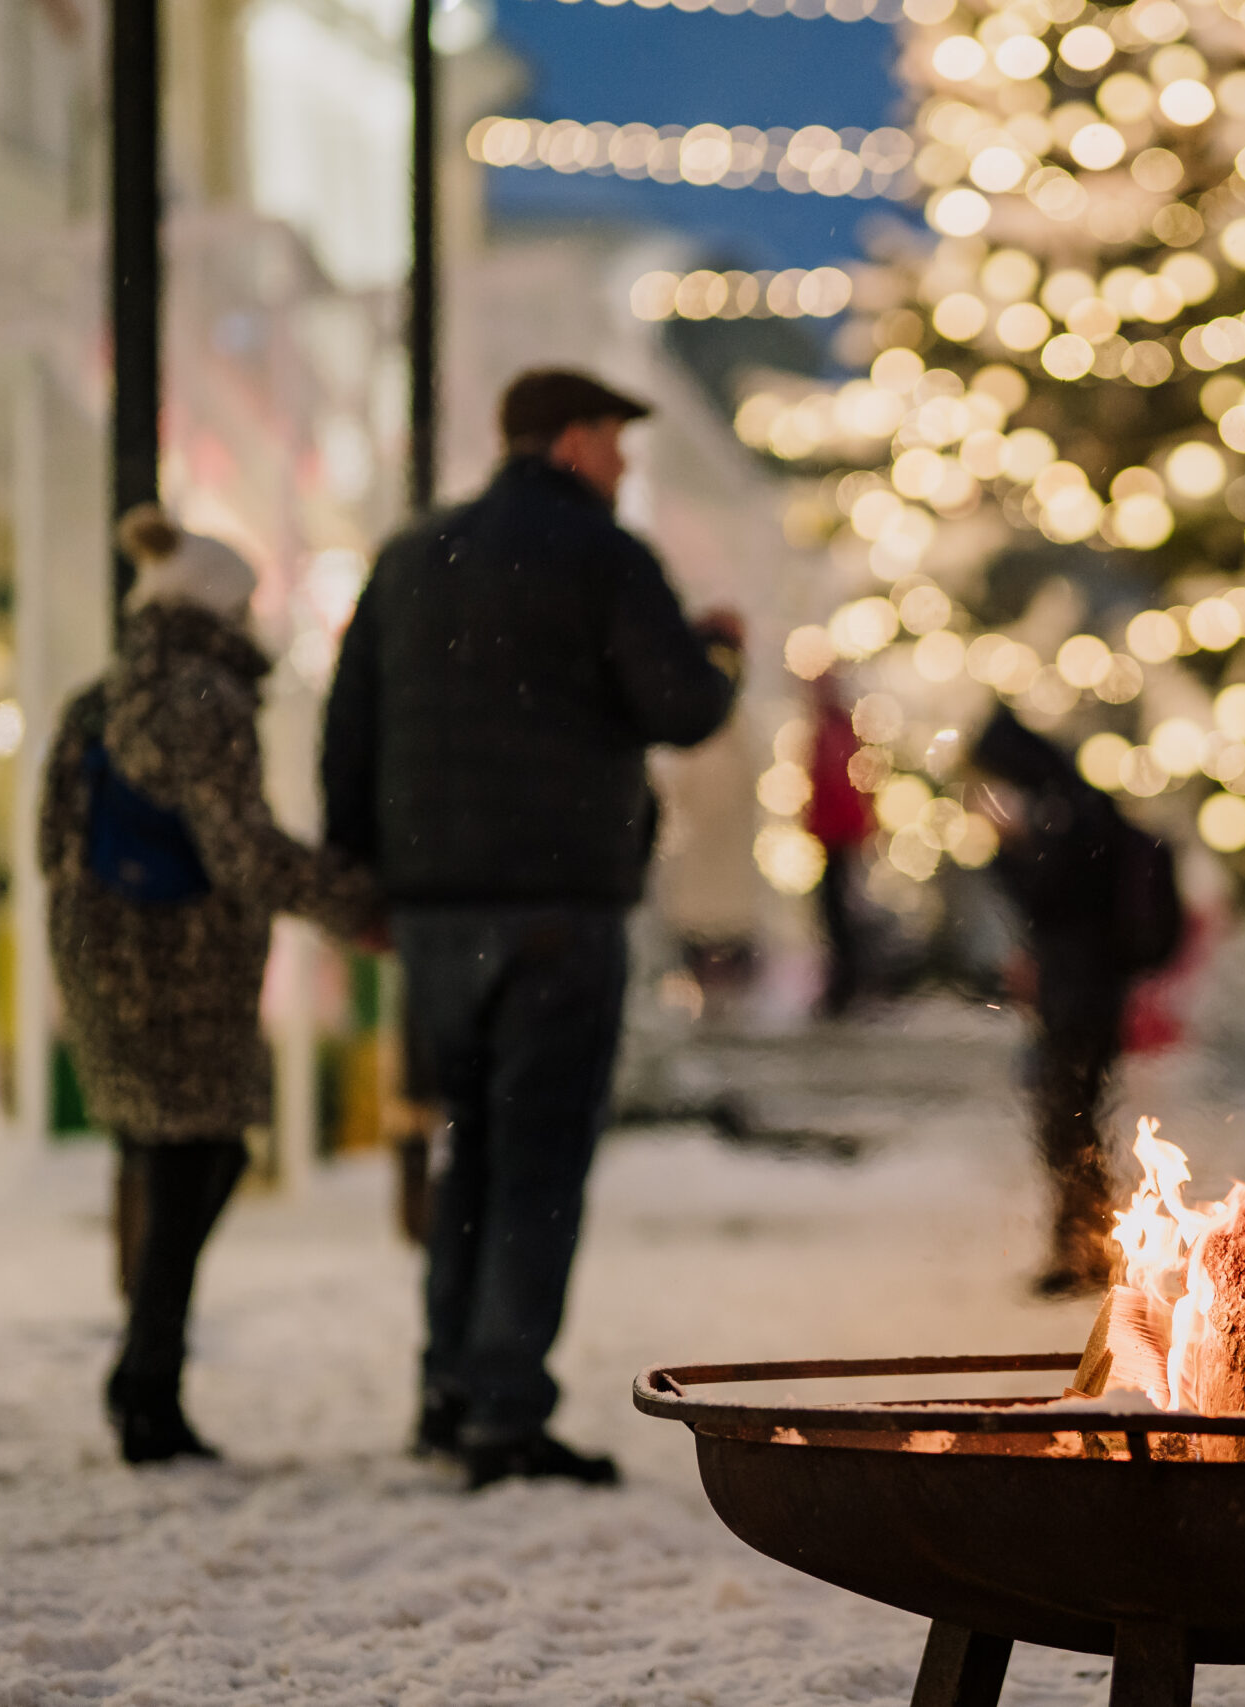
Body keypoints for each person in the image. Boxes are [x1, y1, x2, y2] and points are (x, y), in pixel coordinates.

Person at [322, 369, 740, 1488]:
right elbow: (683, 708)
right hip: (557, 903)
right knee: (539, 1155)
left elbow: (348, 726)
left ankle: (449, 1387)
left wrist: (364, 884)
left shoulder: (412, 557)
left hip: (433, 910)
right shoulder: (604, 558)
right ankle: (505, 1407)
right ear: (570, 442)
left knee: (466, 1148)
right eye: (615, 441)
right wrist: (719, 654)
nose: (623, 464)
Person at [41, 505, 379, 1464]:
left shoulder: (97, 697)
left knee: (179, 1158)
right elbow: (242, 853)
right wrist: (356, 902)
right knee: (202, 1158)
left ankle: (146, 1374)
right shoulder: (203, 699)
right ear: (219, 608)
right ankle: (146, 1382)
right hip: (182, 962)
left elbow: (51, 842)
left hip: (103, 954)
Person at [969, 708, 1179, 1297]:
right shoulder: (1080, 804)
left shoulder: (1064, 814)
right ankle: (1086, 1246)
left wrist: (1007, 847)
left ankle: (1089, 1249)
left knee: (1070, 1122)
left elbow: (1049, 899)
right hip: (1086, 990)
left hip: (1082, 994)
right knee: (1073, 1121)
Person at [804, 673, 874, 1017]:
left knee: (838, 914)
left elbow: (837, 789)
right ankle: (845, 986)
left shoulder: (834, 733)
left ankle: (846, 988)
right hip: (835, 836)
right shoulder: (836, 731)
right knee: (836, 914)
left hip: (837, 838)